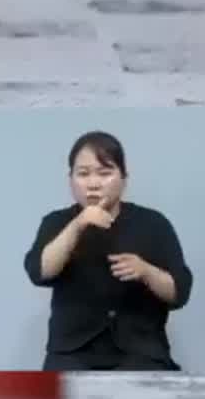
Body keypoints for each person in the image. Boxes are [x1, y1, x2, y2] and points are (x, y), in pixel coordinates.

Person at [24, 130, 193, 371]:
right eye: (83, 174)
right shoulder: (56, 222)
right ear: (70, 179)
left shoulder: (154, 223)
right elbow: (40, 272)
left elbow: (180, 292)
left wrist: (146, 271)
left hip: (141, 353)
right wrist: (79, 224)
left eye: (105, 173)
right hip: (72, 354)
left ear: (124, 178)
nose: (93, 183)